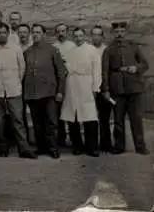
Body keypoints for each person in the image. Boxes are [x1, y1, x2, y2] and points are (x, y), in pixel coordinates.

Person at [101, 21, 149, 155]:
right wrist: (106, 89)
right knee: (118, 119)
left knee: (136, 118)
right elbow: (105, 71)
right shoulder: (108, 50)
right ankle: (119, 146)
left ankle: (140, 147)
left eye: (122, 32)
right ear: (113, 33)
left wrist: (136, 68)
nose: (119, 34)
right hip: (117, 89)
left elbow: (145, 64)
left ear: (125, 32)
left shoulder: (133, 47)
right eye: (116, 32)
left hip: (134, 87)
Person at [0, 23, 37, 159]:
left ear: (8, 34)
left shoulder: (16, 49)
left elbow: (22, 69)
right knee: (0, 120)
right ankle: (3, 148)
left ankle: (24, 148)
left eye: (4, 32)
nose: (2, 35)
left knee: (18, 119)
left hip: (13, 89)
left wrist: (15, 82)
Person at [23, 24, 67, 159]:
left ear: (44, 34)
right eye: (33, 33)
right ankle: (41, 147)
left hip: (49, 92)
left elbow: (61, 73)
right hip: (33, 93)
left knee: (51, 122)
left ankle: (53, 148)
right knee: (37, 123)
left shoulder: (52, 50)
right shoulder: (27, 52)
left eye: (38, 32)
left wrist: (60, 91)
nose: (35, 35)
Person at [60, 28, 101, 157]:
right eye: (76, 36)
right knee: (73, 116)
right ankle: (77, 145)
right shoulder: (70, 51)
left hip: (86, 84)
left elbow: (96, 70)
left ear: (85, 36)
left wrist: (95, 88)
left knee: (90, 116)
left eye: (80, 36)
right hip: (72, 84)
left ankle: (92, 147)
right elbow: (66, 68)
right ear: (73, 37)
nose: (78, 38)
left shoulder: (91, 50)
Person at [53, 22, 76, 147]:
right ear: (55, 33)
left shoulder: (72, 46)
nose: (61, 34)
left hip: (71, 81)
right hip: (58, 83)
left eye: (63, 31)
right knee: (58, 111)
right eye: (58, 31)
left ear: (67, 32)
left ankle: (74, 138)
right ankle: (61, 138)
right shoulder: (54, 47)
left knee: (71, 110)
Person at [90, 25, 112, 152]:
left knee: (104, 117)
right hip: (91, 88)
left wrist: (106, 88)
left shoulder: (106, 50)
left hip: (104, 88)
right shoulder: (88, 50)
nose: (96, 37)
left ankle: (106, 144)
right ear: (91, 36)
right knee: (92, 117)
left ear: (102, 36)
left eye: (99, 34)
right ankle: (92, 144)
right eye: (94, 34)